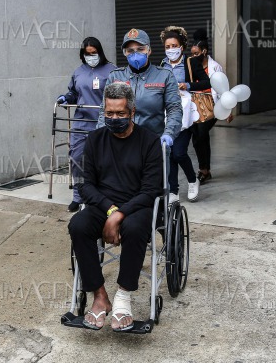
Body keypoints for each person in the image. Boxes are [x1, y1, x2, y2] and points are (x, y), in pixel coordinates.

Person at [68, 82, 163, 332]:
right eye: (109, 113)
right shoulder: (95, 139)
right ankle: (100, 296)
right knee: (78, 225)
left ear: (132, 112)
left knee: (135, 227)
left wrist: (120, 214)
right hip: (103, 205)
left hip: (137, 206)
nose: (114, 118)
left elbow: (151, 190)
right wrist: (111, 211)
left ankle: (123, 298)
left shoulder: (149, 142)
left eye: (120, 113)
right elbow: (85, 185)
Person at [97, 28, 183, 153]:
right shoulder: (115, 76)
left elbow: (174, 109)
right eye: (130, 51)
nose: (135, 54)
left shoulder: (165, 76)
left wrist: (169, 133)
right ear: (125, 53)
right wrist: (101, 135)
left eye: (140, 49)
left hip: (153, 144)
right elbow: (104, 110)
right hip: (119, 144)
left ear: (149, 50)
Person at [57, 37, 116, 212]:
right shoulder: (78, 72)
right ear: (83, 54)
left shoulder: (111, 71)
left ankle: (101, 196)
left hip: (102, 123)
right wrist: (66, 98)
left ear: (100, 52)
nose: (91, 56)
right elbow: (74, 93)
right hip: (81, 123)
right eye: (87, 54)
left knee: (102, 162)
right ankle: (78, 196)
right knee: (77, 159)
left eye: (94, 53)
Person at [159, 26, 211, 203]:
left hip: (185, 114)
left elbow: (207, 82)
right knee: (169, 153)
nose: (171, 49)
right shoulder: (162, 65)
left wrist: (187, 85)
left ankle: (192, 180)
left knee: (179, 153)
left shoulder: (191, 62)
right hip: (167, 113)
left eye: (174, 46)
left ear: (181, 47)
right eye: (167, 47)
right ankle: (173, 190)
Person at [190, 29, 229, 184]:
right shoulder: (191, 65)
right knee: (199, 137)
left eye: (196, 53)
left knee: (200, 134)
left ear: (204, 51)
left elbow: (223, 89)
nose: (193, 56)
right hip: (195, 107)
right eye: (192, 53)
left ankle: (204, 170)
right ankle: (205, 170)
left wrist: (227, 110)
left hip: (212, 107)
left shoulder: (215, 67)